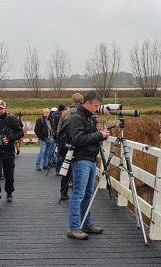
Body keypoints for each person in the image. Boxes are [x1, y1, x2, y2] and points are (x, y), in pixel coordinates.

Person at [66, 91, 111, 240]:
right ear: (87, 104)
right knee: (78, 194)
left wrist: (100, 134)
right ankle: (73, 227)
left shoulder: (88, 117)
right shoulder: (77, 118)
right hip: (81, 159)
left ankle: (86, 223)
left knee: (87, 194)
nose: (97, 109)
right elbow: (78, 139)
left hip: (90, 159)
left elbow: (88, 137)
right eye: (96, 106)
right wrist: (99, 135)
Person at [0, 100, 24, 210]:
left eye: (1, 108)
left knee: (9, 175)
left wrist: (10, 138)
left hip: (8, 151)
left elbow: (20, 133)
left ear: (5, 108)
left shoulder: (11, 119)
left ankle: (9, 192)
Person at [56, 93, 83, 199]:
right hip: (80, 146)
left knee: (66, 169)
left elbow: (58, 130)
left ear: (72, 101)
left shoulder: (65, 113)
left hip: (67, 146)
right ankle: (77, 193)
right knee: (80, 170)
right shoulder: (84, 114)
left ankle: (63, 192)